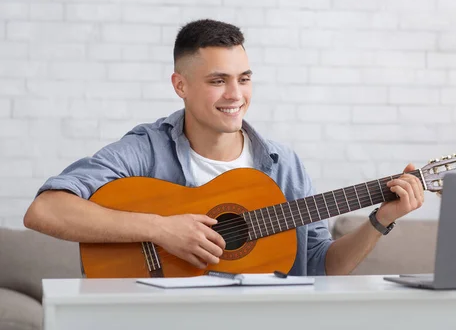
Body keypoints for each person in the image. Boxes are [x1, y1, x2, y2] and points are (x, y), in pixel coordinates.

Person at [23, 19, 424, 276]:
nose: (236, 94)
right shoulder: (145, 150)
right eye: (218, 80)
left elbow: (320, 267)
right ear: (180, 85)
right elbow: (45, 210)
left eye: (244, 78)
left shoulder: (283, 164)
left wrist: (380, 220)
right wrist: (161, 229)